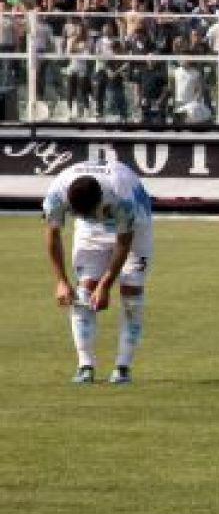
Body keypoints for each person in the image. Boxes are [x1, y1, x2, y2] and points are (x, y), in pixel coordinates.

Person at [43, 159, 155, 385]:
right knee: (83, 293)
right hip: (91, 231)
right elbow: (53, 236)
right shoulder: (56, 193)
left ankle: (123, 367)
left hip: (136, 226)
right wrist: (61, 281)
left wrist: (106, 285)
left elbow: (124, 242)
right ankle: (85, 366)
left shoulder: (122, 196)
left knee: (131, 293)